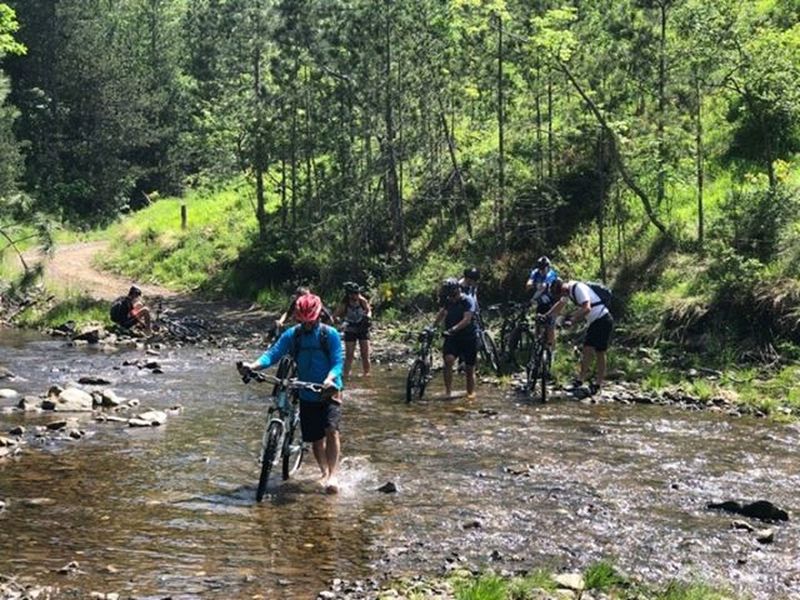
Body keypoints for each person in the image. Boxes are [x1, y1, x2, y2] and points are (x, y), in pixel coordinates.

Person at [242, 294, 345, 494]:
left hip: (329, 390)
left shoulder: (329, 334)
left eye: (311, 320)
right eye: (302, 321)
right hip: (305, 392)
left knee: (331, 430)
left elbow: (338, 361)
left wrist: (330, 378)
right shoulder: (292, 335)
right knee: (315, 438)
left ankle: (332, 476)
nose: (307, 325)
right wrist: (253, 365)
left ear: (318, 316)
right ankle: (324, 472)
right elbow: (273, 354)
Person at [546, 278, 613, 395]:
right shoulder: (568, 291)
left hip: (603, 319)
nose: (562, 296)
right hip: (594, 321)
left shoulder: (578, 289)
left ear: (563, 288)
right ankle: (580, 380)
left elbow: (587, 308)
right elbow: (560, 304)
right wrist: (546, 315)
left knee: (600, 352)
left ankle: (598, 384)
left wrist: (572, 319)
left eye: (561, 293)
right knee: (587, 350)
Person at [432, 278, 478, 399]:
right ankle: (448, 392)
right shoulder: (448, 301)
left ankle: (470, 394)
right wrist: (432, 327)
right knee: (448, 360)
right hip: (452, 338)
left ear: (457, 290)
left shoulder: (468, 301)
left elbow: (467, 320)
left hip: (468, 337)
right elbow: (442, 314)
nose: (450, 297)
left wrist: (453, 329)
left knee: (469, 368)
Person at [334, 282, 372, 379]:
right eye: (353, 293)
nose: (355, 295)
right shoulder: (344, 303)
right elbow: (336, 315)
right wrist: (338, 321)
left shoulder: (362, 300)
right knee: (349, 355)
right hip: (350, 328)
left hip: (362, 328)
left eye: (357, 293)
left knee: (365, 353)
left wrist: (368, 317)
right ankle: (346, 375)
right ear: (348, 294)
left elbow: (369, 310)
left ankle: (366, 374)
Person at [525, 256, 559, 350]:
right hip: (541, 302)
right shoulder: (535, 272)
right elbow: (528, 285)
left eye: (544, 268)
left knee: (550, 327)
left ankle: (552, 350)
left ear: (548, 267)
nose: (542, 271)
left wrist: (533, 299)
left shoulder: (551, 274)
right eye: (540, 268)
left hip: (552, 302)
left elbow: (543, 287)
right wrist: (532, 284)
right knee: (537, 324)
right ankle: (537, 346)